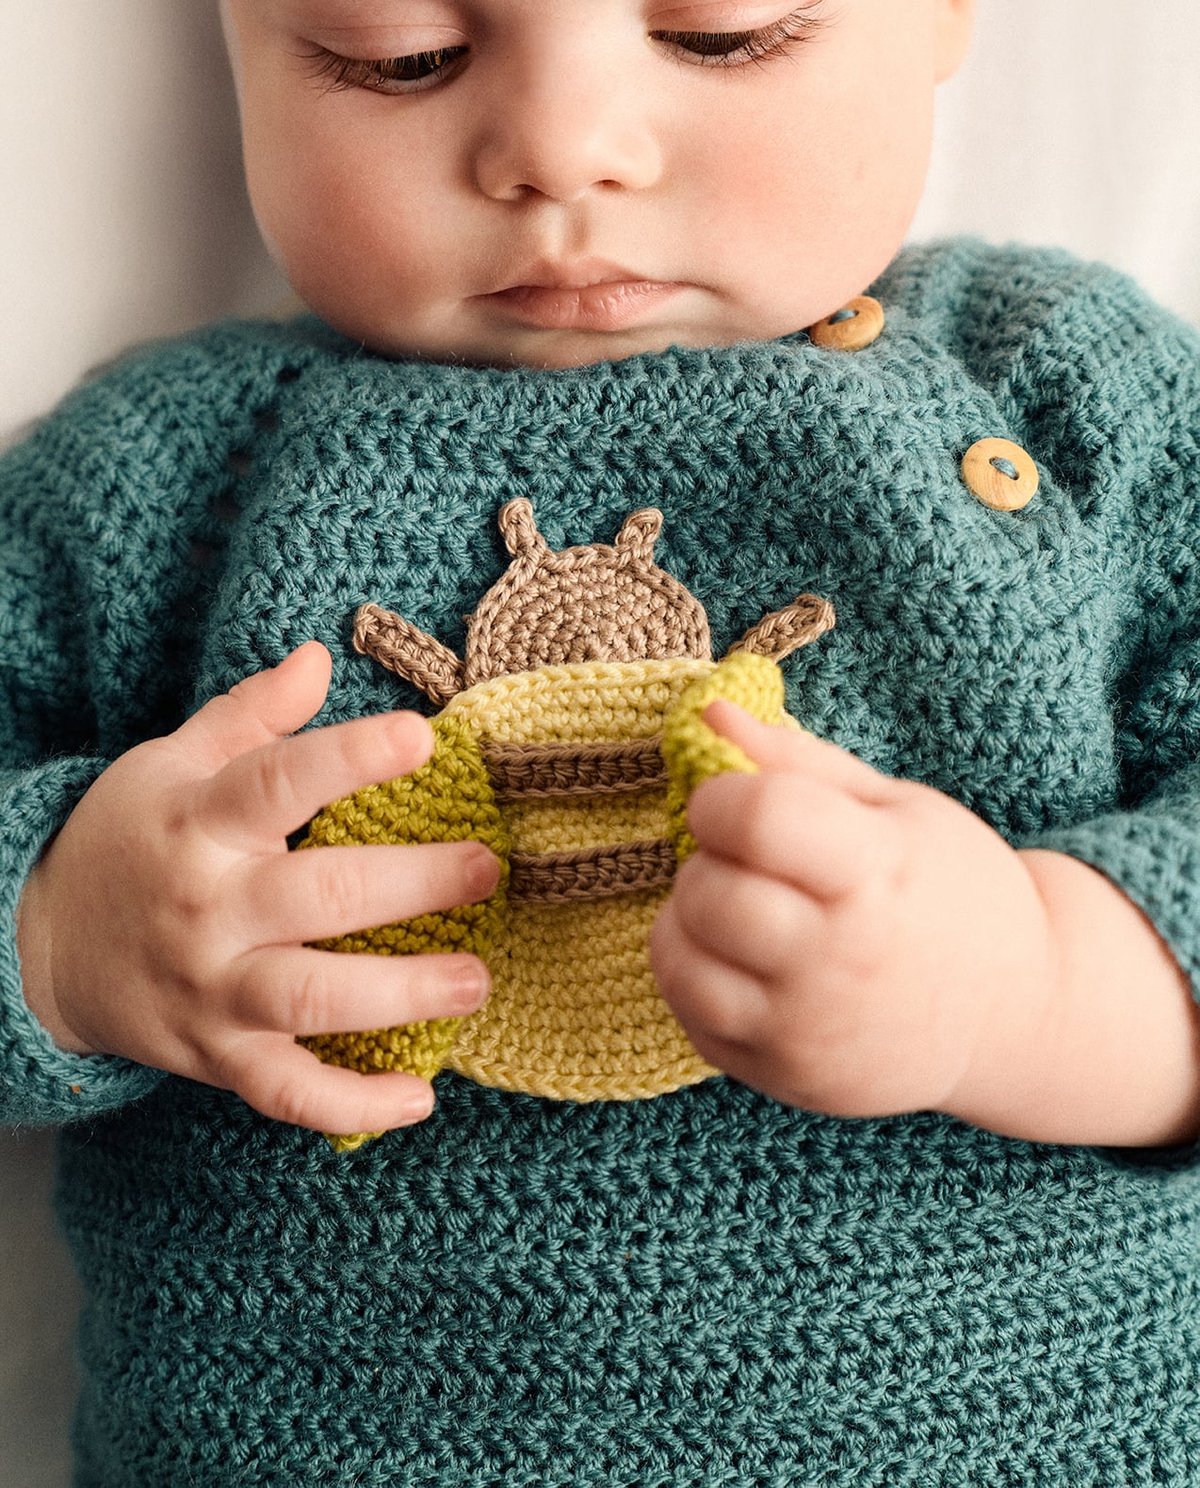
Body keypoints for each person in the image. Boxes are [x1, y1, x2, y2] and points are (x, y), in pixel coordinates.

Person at [4, 0, 1200, 1481]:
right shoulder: (161, 485)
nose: (564, 153)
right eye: (402, 56)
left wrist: (1032, 988)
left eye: (722, 33)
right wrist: (62, 940)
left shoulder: (1063, 395)